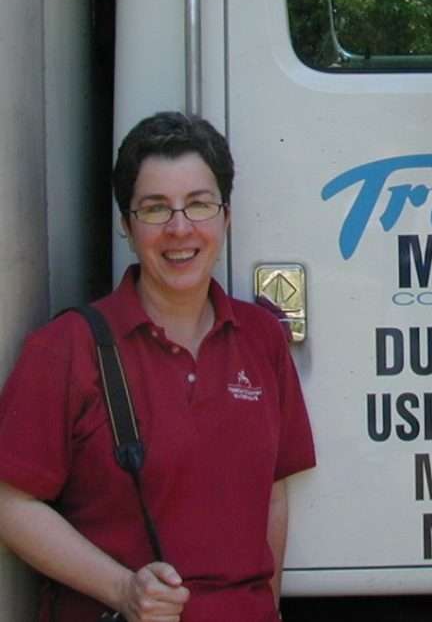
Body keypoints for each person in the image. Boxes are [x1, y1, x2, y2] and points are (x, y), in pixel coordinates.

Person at [0, 112, 316, 621]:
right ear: (127, 225)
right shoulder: (66, 348)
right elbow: (9, 504)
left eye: (199, 204)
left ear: (225, 216)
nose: (179, 228)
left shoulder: (262, 339)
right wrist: (124, 589)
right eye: (154, 209)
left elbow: (272, 495)